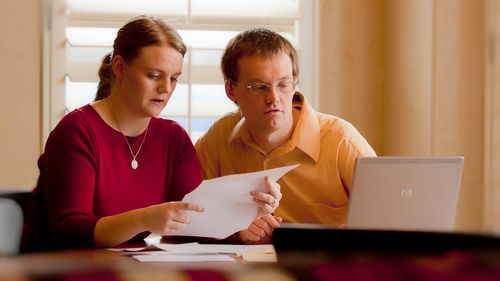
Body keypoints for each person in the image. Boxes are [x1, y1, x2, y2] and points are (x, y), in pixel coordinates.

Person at [23, 16, 280, 251]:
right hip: (59, 266)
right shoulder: (77, 130)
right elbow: (71, 231)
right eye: (154, 75)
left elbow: (192, 221)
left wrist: (239, 229)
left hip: (126, 269)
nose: (165, 88)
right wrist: (145, 218)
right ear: (120, 67)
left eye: (174, 78)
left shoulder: (173, 138)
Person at [195, 28, 377, 243]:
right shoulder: (218, 138)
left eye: (283, 85)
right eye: (259, 86)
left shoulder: (341, 141)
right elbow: (182, 215)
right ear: (231, 91)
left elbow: (388, 216)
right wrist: (233, 229)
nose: (273, 98)